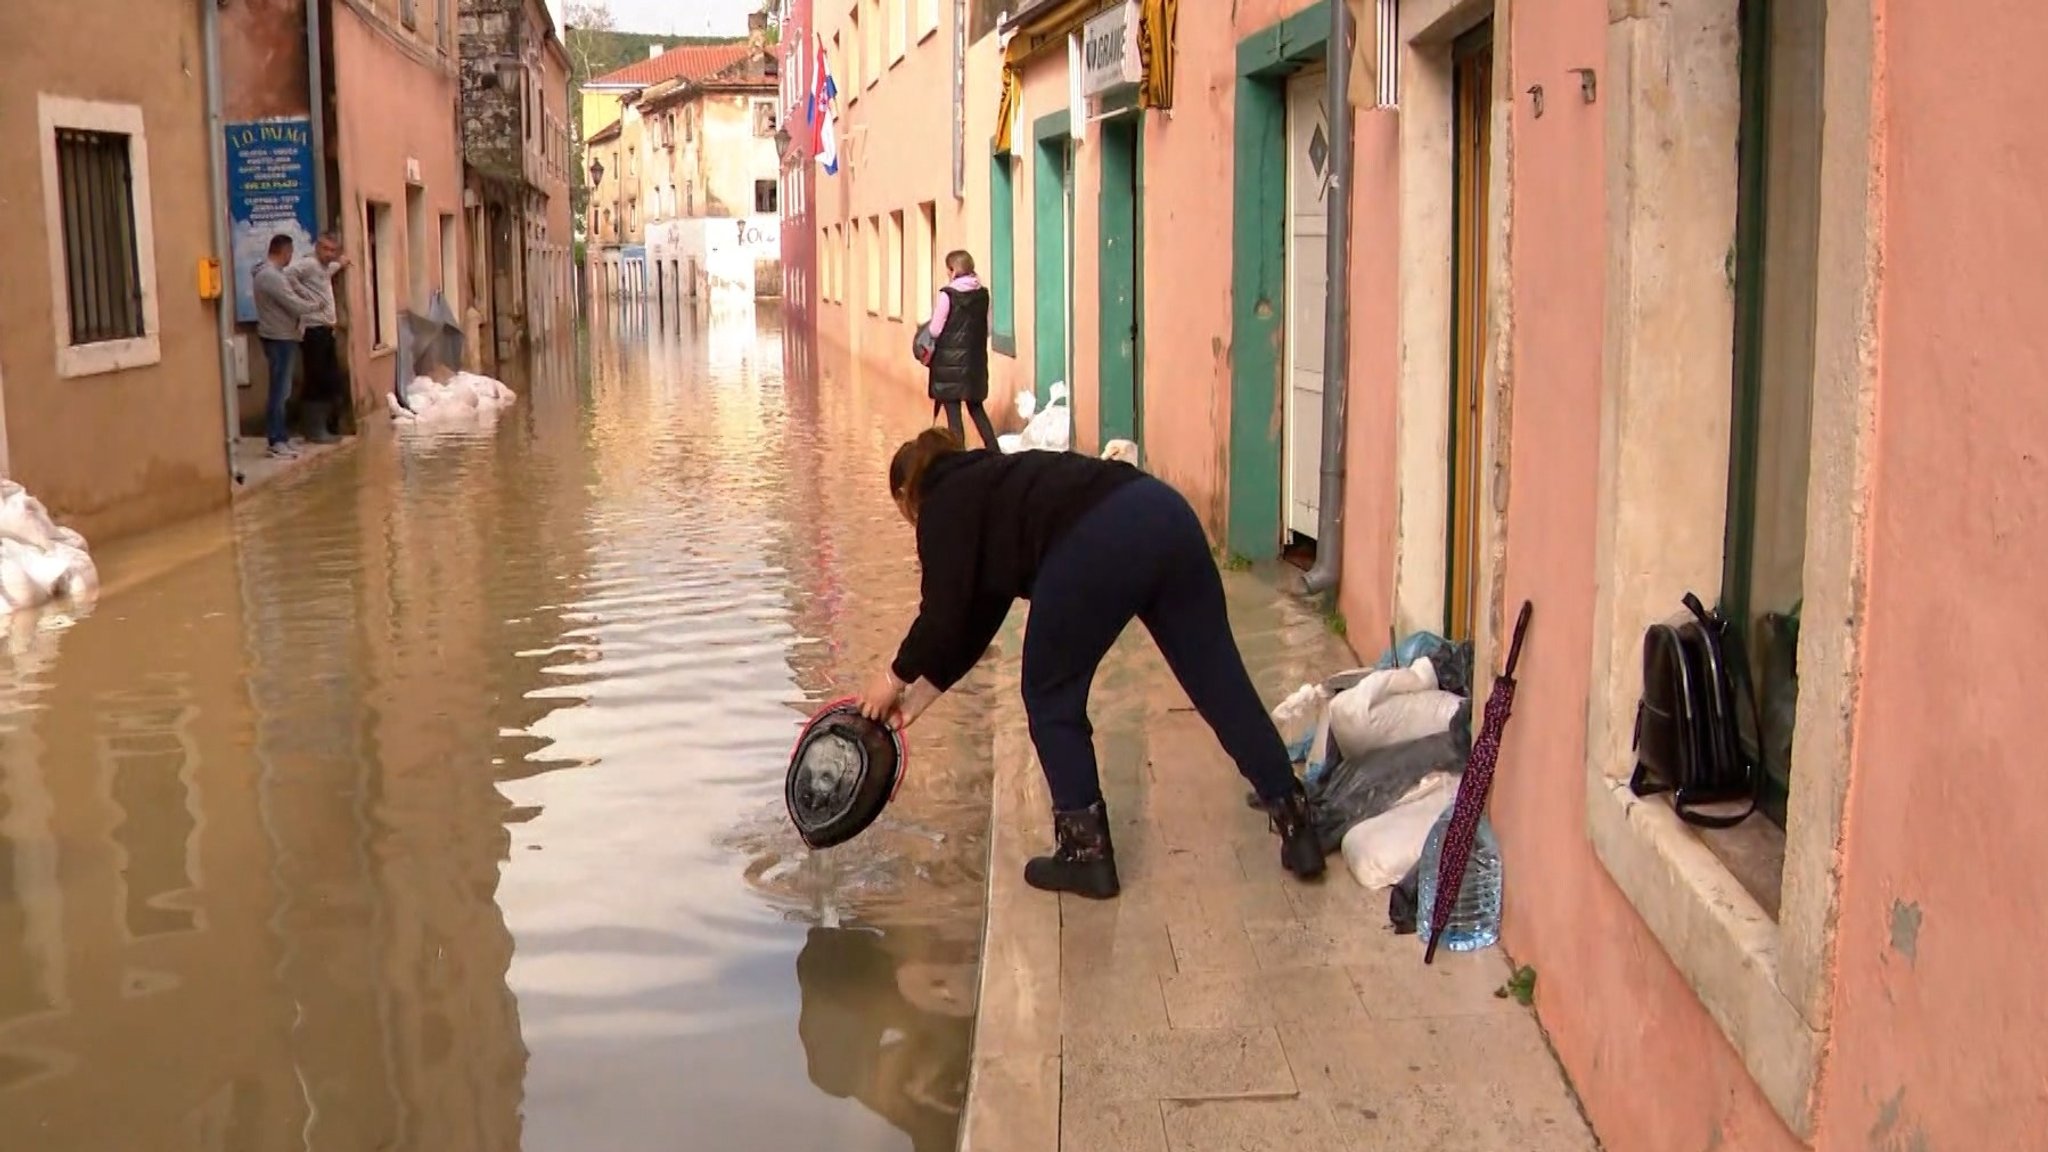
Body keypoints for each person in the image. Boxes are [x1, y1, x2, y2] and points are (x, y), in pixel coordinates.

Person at [858, 429, 1325, 899]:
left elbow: (941, 612)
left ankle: (1086, 855)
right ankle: (1296, 822)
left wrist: (891, 677)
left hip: (1094, 542)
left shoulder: (940, 506)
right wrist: (918, 696)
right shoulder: (991, 481)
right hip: (1163, 512)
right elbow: (973, 619)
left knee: (1049, 693)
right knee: (1219, 682)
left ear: (905, 496)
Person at [251, 234, 321, 459]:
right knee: (279, 391)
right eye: (290, 252)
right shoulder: (270, 276)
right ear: (283, 251)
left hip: (283, 336)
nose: (291, 257)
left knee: (283, 390)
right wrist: (316, 305)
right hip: (278, 337)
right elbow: (294, 304)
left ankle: (281, 437)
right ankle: (276, 440)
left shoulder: (274, 274)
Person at [922, 251, 998, 449]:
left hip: (949, 365)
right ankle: (995, 452)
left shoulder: (947, 295)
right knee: (976, 409)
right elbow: (988, 329)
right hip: (975, 363)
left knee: (953, 415)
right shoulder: (983, 294)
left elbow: (935, 330)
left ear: (953, 270)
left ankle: (959, 458)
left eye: (948, 270)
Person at [289, 231, 350, 445]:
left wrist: (342, 262)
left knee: (330, 378)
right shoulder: (309, 265)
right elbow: (288, 275)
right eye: (325, 249)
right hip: (313, 330)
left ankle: (325, 426)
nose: (328, 254)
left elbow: (331, 270)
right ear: (317, 247)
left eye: (333, 250)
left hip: (326, 330)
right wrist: (302, 295)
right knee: (315, 378)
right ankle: (313, 429)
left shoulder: (325, 268)